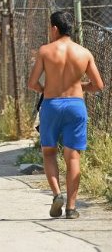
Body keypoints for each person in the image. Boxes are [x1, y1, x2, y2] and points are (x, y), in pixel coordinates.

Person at [28, 11, 104, 219]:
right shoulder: (84, 53)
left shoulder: (45, 51)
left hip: (52, 105)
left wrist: (46, 88)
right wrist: (80, 87)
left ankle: (56, 194)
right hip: (76, 105)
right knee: (73, 157)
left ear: (55, 28)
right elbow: (98, 85)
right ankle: (71, 207)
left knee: (49, 152)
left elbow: (32, 83)